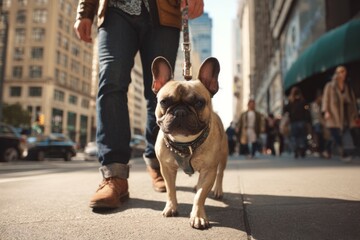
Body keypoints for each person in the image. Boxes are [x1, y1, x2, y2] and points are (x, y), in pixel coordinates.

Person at [74, 0, 204, 209]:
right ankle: (114, 175)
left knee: (159, 92)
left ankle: (156, 160)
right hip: (115, 10)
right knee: (110, 80)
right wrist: (84, 11)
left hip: (164, 11)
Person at [322, 65, 358, 162]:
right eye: (340, 72)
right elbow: (325, 99)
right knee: (336, 134)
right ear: (337, 74)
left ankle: (327, 150)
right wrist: (326, 111)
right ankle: (343, 154)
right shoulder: (330, 86)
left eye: (344, 72)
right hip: (333, 114)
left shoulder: (347, 86)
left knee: (337, 134)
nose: (343, 74)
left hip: (345, 114)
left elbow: (351, 100)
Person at [283, 87, 311, 158]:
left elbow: (285, 110)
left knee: (295, 137)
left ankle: (296, 149)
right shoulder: (303, 101)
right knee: (302, 136)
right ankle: (301, 148)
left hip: (294, 122)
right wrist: (308, 121)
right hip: (301, 121)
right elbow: (307, 112)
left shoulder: (291, 102)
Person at [310, 90, 330, 158]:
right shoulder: (314, 105)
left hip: (319, 123)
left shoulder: (320, 105)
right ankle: (320, 150)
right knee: (319, 136)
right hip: (317, 123)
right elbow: (316, 116)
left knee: (321, 137)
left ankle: (321, 150)